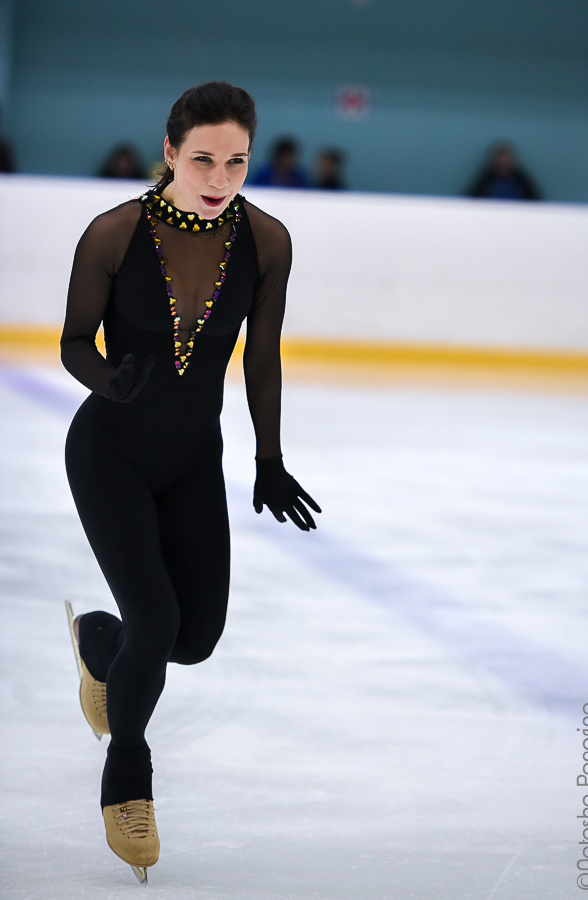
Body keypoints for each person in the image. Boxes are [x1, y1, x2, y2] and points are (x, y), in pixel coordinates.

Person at [61, 81, 321, 884]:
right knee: (159, 615)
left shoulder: (267, 242)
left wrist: (267, 460)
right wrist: (108, 382)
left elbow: (264, 359)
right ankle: (127, 775)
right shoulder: (113, 233)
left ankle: (101, 642)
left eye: (236, 161)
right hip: (109, 453)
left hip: (190, 463)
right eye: (203, 158)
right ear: (170, 151)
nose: (219, 177)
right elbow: (73, 342)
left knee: (190, 639)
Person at [467, 141, 542, 201]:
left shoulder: (522, 182)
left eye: (506, 163)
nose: (503, 167)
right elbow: (472, 201)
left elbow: (535, 202)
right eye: (500, 163)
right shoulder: (485, 182)